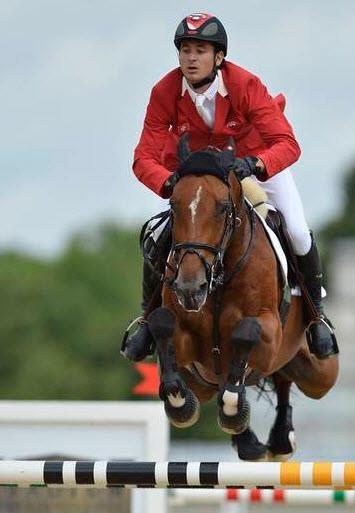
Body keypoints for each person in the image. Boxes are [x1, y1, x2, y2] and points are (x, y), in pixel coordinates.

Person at [122, 13, 338, 363]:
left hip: (252, 165)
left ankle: (317, 318)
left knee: (297, 231)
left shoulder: (244, 84)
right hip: (199, 178)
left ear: (218, 57)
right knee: (159, 234)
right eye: (185, 50)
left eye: (200, 50)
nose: (191, 58)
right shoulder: (164, 91)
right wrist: (168, 182)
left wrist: (256, 164)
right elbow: (142, 157)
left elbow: (287, 143)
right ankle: (147, 320)